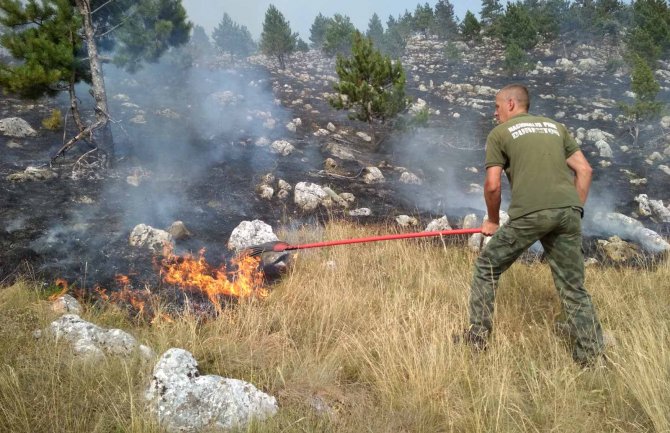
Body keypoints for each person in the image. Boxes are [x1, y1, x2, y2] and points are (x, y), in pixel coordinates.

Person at [458, 83, 604, 366]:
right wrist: (573, 209)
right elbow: (585, 170)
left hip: (531, 214)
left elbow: (491, 185)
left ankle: (477, 338)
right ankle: (591, 356)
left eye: (497, 106)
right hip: (568, 211)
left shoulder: (500, 133)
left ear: (511, 104)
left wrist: (491, 220)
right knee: (572, 286)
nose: (494, 113)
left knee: (487, 267)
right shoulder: (555, 127)